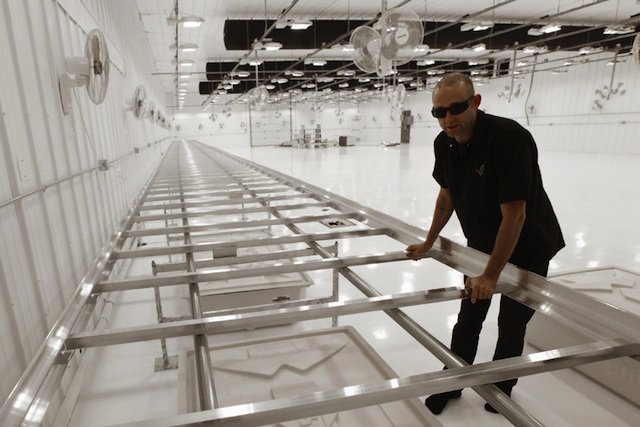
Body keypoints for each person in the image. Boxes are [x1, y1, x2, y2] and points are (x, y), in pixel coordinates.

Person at [405, 72, 564, 414]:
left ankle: (502, 386)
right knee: (469, 316)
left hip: (527, 245)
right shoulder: (443, 143)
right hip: (480, 243)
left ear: (475, 102)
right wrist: (429, 241)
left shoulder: (509, 139)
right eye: (439, 112)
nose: (448, 119)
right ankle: (454, 380)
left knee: (511, 323)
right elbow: (446, 197)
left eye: (457, 108)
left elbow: (515, 216)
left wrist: (491, 275)